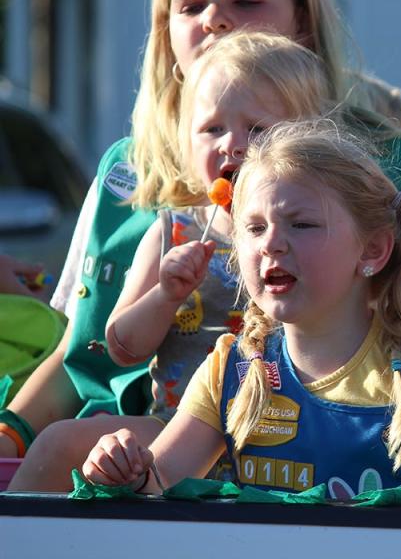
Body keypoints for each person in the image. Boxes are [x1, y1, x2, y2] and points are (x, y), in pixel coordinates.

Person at [0, 0, 401, 462]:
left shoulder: (382, 161)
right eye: (191, 6)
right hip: (137, 447)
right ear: (165, 31)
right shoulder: (129, 172)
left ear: (303, 21)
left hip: (328, 441)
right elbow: (84, 352)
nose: (216, 19)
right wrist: (12, 435)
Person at [80, 121, 401, 501]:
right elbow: (157, 487)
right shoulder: (230, 370)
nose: (272, 243)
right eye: (254, 228)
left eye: (302, 224)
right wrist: (125, 470)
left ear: (372, 249)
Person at [8, 31, 333, 489]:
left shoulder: (320, 233)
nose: (231, 144)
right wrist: (165, 295)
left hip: (292, 433)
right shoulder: (172, 232)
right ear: (185, 140)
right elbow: (121, 346)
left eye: (257, 129)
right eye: (212, 128)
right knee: (60, 444)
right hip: (176, 427)